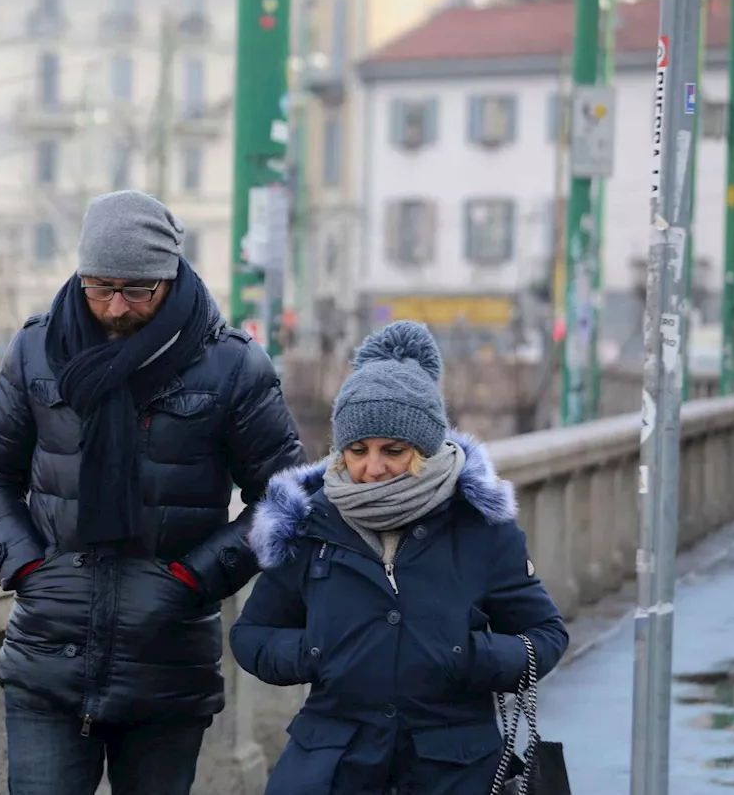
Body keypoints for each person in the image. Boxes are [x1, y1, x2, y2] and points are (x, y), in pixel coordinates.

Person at [0, 190, 306, 795]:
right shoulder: (37, 349)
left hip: (168, 661)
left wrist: (196, 579)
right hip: (47, 656)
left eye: (137, 290)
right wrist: (28, 566)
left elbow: (288, 498)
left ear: (169, 277)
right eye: (100, 286)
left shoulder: (232, 365)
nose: (115, 307)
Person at [230, 320, 568, 795]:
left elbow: (546, 636)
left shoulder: (481, 526)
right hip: (334, 766)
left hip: (456, 769)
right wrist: (314, 653)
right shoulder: (310, 524)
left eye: (393, 450)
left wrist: (469, 657)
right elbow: (251, 637)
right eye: (357, 450)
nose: (372, 468)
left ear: (426, 450)